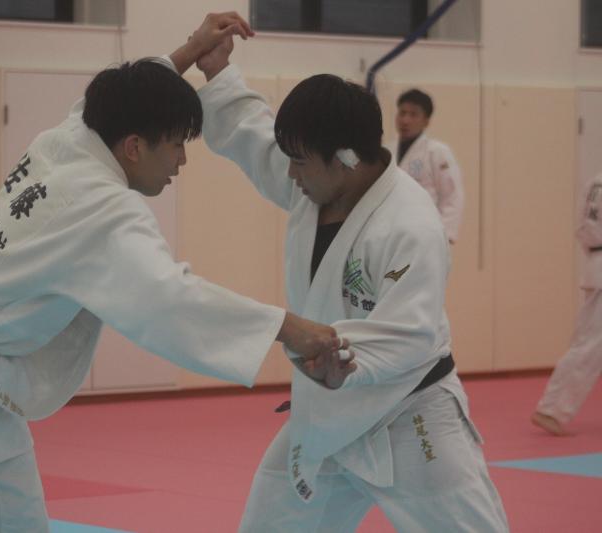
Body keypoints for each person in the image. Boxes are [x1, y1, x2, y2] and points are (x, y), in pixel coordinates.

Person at [0, 13, 347, 532]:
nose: (181, 161)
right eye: (176, 144)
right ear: (134, 147)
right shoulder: (103, 208)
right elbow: (169, 299)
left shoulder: (67, 140)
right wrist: (289, 327)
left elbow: (121, 96)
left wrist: (190, 49)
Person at [180, 17, 509, 532]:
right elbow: (254, 135)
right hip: (327, 415)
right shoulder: (314, 182)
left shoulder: (410, 223)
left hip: (410, 412)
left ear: (347, 160)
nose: (290, 172)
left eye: (300, 162)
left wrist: (343, 361)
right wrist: (218, 72)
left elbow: (410, 332)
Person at [532, 173, 602, 436]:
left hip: (595, 262)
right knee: (591, 345)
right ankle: (553, 409)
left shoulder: (595, 181)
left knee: (588, 342)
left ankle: (553, 408)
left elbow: (582, 228)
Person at [392, 88, 464, 244]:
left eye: (413, 114)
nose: (405, 120)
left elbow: (452, 195)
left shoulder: (437, 152)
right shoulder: (386, 152)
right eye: (402, 113)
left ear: (426, 121)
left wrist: (446, 235)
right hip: (392, 231)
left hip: (427, 232)